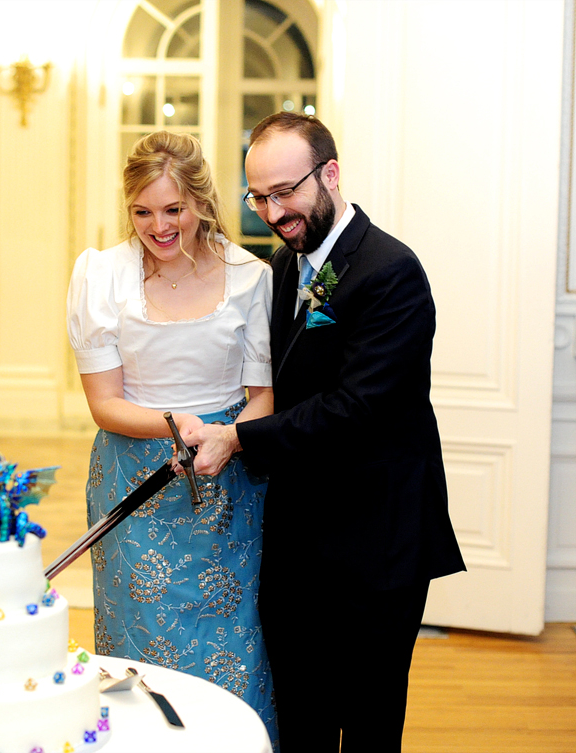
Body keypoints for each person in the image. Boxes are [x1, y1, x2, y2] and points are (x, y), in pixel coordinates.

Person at [183, 113, 466, 752]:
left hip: (377, 539)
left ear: (330, 174)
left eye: (288, 191)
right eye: (259, 196)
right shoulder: (285, 266)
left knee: (368, 721)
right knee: (301, 714)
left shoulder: (390, 270)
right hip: (299, 537)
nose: (274, 210)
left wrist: (238, 439)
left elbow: (356, 407)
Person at [66, 131, 278, 743]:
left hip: (226, 479)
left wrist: (224, 437)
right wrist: (174, 424)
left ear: (202, 202)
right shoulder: (101, 275)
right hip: (135, 483)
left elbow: (262, 396)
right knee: (142, 641)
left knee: (232, 640)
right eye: (142, 211)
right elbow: (104, 404)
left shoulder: (250, 277)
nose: (158, 226)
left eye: (174, 209)